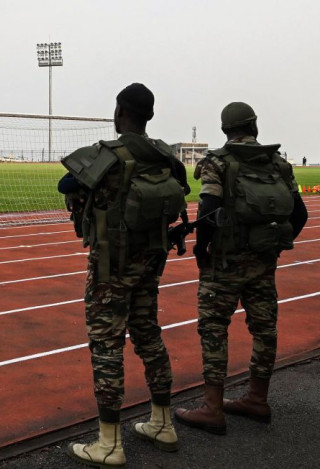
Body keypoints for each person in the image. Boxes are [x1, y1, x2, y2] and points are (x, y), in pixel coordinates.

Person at [61, 84, 188, 467]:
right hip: (151, 260)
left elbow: (67, 184)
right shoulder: (166, 155)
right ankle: (163, 423)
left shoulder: (108, 156)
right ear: (149, 116)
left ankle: (109, 443)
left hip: (111, 266)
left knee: (106, 346)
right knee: (148, 334)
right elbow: (181, 188)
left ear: (119, 113)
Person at [174, 102, 308, 434]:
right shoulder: (278, 164)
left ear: (225, 130)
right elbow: (299, 214)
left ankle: (212, 408)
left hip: (224, 262)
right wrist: (273, 244)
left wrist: (202, 249)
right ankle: (257, 399)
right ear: (254, 126)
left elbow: (208, 207)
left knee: (214, 329)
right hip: (263, 262)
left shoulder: (217, 162)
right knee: (264, 329)